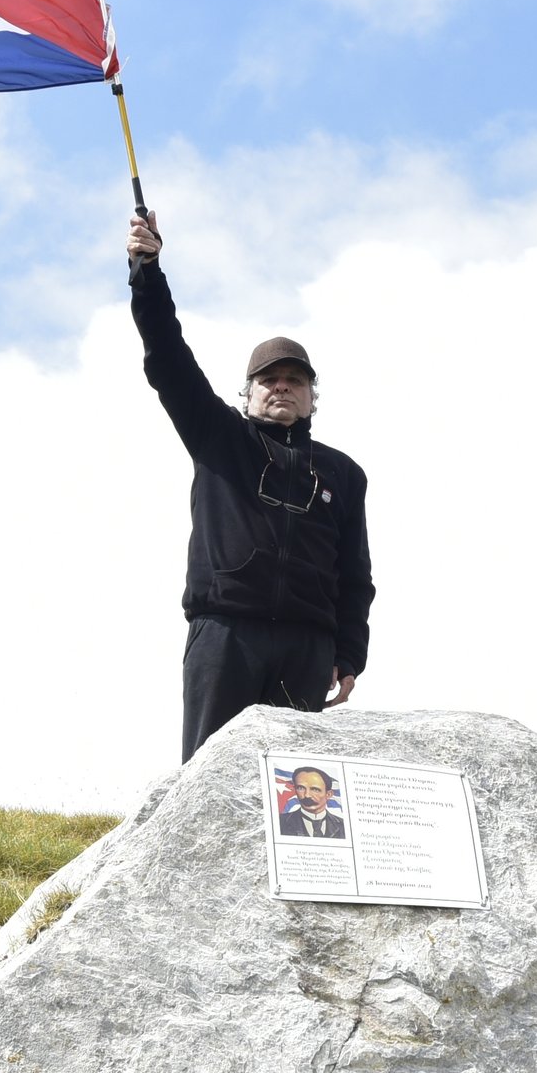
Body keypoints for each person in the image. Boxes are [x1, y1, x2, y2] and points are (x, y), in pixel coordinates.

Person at [127, 209, 374, 761]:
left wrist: (349, 654)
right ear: (249, 392)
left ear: (313, 395)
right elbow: (168, 358)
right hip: (225, 635)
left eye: (294, 380)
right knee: (207, 778)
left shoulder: (343, 473)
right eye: (268, 379)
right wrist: (147, 270)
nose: (281, 387)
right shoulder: (218, 437)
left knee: (296, 786)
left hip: (307, 646)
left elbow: (355, 575)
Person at [278, 766, 346, 838]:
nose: (307, 795)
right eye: (301, 788)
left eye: (315, 789)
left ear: (328, 794)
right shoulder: (280, 822)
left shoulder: (343, 826)